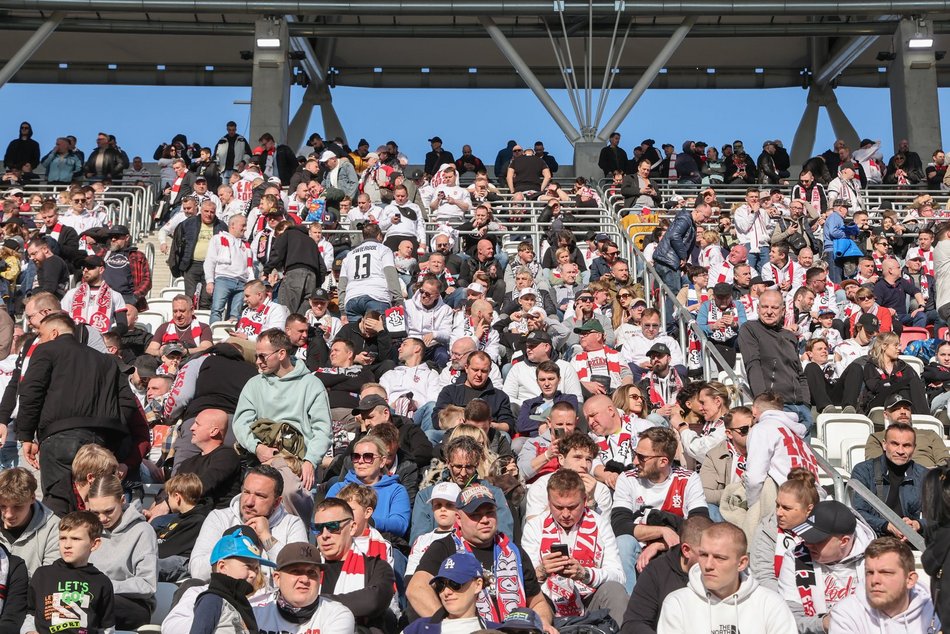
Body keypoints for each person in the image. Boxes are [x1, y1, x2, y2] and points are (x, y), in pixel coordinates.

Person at [17, 313, 137, 517]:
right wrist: (108, 429)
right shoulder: (107, 361)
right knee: (98, 506)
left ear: (54, 333)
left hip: (59, 440)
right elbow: (127, 404)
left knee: (59, 505)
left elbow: (31, 391)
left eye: (41, 334)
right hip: (100, 443)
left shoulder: (47, 349)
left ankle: (62, 548)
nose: (39, 339)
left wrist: (26, 435)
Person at [407, 484, 557, 631]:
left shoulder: (514, 551)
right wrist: (448, 626)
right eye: (475, 515)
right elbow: (416, 589)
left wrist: (542, 623)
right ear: (458, 519)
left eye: (490, 513)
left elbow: (537, 602)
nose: (485, 520)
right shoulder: (444, 547)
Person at [521, 469, 627, 623]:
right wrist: (542, 571)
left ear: (585, 501)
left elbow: (619, 576)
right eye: (558, 507)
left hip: (591, 600)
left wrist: (585, 574)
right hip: (549, 602)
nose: (565, 514)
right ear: (549, 502)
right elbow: (524, 581)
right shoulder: (535, 526)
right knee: (534, 599)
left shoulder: (600, 523)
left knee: (615, 591)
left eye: (572, 507)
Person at [233, 328, 332, 493]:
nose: (257, 361)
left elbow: (322, 430)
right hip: (262, 462)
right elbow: (241, 424)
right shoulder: (254, 384)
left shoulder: (311, 384)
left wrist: (310, 461)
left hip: (299, 464)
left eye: (262, 356)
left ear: (281, 354)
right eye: (256, 356)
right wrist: (257, 448)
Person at [612, 427, 707, 592]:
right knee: (623, 542)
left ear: (663, 461)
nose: (635, 461)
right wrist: (662, 531)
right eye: (635, 454)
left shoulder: (688, 479)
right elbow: (620, 525)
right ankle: (630, 604)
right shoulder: (627, 479)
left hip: (674, 548)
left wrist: (657, 545)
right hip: (638, 547)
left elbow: (700, 526)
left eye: (642, 457)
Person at [657, 522, 797, 634]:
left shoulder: (771, 604)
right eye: (704, 555)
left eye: (719, 558)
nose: (708, 565)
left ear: (741, 563)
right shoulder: (677, 603)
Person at [189, 465, 308, 581]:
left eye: (260, 496)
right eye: (246, 492)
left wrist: (266, 537)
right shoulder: (219, 518)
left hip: (272, 598)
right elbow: (198, 572)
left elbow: (299, 572)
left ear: (277, 502)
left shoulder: (292, 524)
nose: (249, 502)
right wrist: (235, 544)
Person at [777, 499, 875, 633]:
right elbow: (789, 617)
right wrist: (824, 623)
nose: (807, 543)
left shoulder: (876, 559)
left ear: (844, 541)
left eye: (816, 539)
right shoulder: (795, 557)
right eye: (806, 536)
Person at [311, 498, 396, 631]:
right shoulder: (308, 568)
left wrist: (313, 602)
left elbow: (372, 601)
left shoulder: (376, 567)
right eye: (318, 529)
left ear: (352, 528)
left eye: (333, 526)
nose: (325, 535)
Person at [85, 475, 157, 629]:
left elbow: (147, 584)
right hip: (90, 597)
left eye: (108, 511)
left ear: (122, 500)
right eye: (95, 513)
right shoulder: (87, 530)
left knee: (90, 606)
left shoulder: (143, 531)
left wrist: (105, 586)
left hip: (131, 604)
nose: (102, 518)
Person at [619, 515, 711, 634]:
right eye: (705, 554)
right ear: (686, 550)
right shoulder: (657, 571)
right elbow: (633, 624)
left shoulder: (719, 573)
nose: (711, 562)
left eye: (717, 555)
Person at [739, 290, 813, 433]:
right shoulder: (750, 329)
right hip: (775, 408)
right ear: (757, 308)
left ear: (783, 310)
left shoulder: (789, 336)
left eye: (774, 307)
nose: (769, 312)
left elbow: (799, 373)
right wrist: (764, 404)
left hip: (801, 409)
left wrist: (806, 404)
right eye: (765, 307)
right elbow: (753, 366)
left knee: (800, 455)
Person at [829, 537, 938, 633]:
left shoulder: (937, 613)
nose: (874, 580)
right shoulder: (847, 613)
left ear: (910, 580)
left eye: (886, 573)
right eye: (869, 572)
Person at [27, 511, 112, 634]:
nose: (67, 545)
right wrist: (29, 631)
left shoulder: (101, 582)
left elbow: (106, 628)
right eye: (63, 538)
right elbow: (30, 612)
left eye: (76, 539)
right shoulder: (42, 575)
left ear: (94, 544)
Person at [250, 541, 355, 634]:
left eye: (311, 573)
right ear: (277, 579)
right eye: (295, 571)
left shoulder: (337, 615)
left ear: (320, 578)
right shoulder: (255, 615)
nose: (305, 579)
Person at [189, 529, 276, 634]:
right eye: (248, 566)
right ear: (222, 566)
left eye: (256, 568)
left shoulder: (242, 604)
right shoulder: (212, 600)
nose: (253, 574)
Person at [851, 422, 927, 538]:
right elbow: (858, 511)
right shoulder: (864, 471)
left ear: (914, 448)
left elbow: (941, 515)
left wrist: (917, 525)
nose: (900, 451)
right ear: (884, 445)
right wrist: (887, 526)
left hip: (914, 541)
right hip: (874, 539)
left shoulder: (924, 475)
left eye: (906, 445)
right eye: (895, 444)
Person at [325, 435, 411, 538]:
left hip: (383, 543)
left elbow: (400, 525)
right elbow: (325, 519)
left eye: (368, 457)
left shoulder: (396, 490)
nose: (360, 461)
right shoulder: (338, 488)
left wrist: (367, 521)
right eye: (356, 457)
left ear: (382, 461)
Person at [404, 551, 500, 633]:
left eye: (455, 584)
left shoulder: (496, 631)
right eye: (441, 585)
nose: (446, 592)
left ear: (478, 585)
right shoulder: (418, 629)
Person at [0, 468, 59, 578]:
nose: (8, 515)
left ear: (32, 498)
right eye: (2, 506)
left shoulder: (54, 528)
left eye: (17, 507)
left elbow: (50, 579)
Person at [339, 224, 402, 322]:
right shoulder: (383, 249)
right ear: (379, 236)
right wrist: (398, 299)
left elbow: (342, 283)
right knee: (377, 334)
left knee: (356, 335)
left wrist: (342, 309)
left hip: (352, 298)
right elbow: (390, 275)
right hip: (376, 295)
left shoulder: (350, 254)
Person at [155, 473, 211, 582]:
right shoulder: (181, 517)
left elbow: (168, 549)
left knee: (148, 567)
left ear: (177, 497)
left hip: (180, 562)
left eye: (168, 496)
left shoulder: (197, 521)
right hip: (167, 558)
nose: (168, 500)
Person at [204, 214, 254, 324]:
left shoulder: (246, 245)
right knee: (217, 310)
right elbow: (210, 261)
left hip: (242, 283)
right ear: (232, 225)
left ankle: (231, 340)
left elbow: (250, 267)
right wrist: (209, 281)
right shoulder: (218, 239)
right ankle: (213, 337)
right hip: (223, 279)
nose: (245, 228)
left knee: (235, 315)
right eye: (243, 225)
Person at [60, 255, 128, 334]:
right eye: (83, 267)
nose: (85, 270)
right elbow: (61, 320)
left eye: (90, 267)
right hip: (75, 342)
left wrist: (109, 337)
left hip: (101, 343)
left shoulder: (115, 295)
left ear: (101, 270)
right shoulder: (71, 294)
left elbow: (123, 325)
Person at [146, 293, 214, 356]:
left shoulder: (203, 328)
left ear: (192, 310)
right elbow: (150, 350)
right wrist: (160, 352)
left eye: (182, 311)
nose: (178, 315)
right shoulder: (164, 327)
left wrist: (186, 351)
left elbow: (207, 348)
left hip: (191, 362)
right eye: (175, 311)